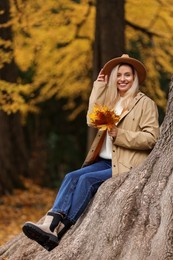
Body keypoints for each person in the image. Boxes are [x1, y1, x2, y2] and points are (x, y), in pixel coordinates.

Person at [22, 54, 160, 251]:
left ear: (135, 77)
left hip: (126, 163)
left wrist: (119, 134)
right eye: (119, 75)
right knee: (72, 176)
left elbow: (152, 138)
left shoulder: (145, 104)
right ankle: (50, 224)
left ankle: (62, 229)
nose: (122, 79)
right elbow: (91, 119)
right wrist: (98, 87)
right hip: (104, 161)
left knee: (86, 180)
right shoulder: (111, 100)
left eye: (127, 75)